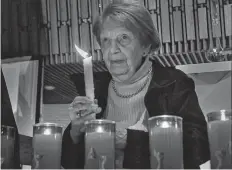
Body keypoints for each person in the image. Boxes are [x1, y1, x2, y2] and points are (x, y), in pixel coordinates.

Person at [61, 1, 210, 169]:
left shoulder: (173, 84)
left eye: (123, 38)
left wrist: (127, 140)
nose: (113, 49)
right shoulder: (94, 91)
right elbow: (69, 163)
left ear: (145, 46)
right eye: (105, 40)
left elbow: (200, 147)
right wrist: (76, 132)